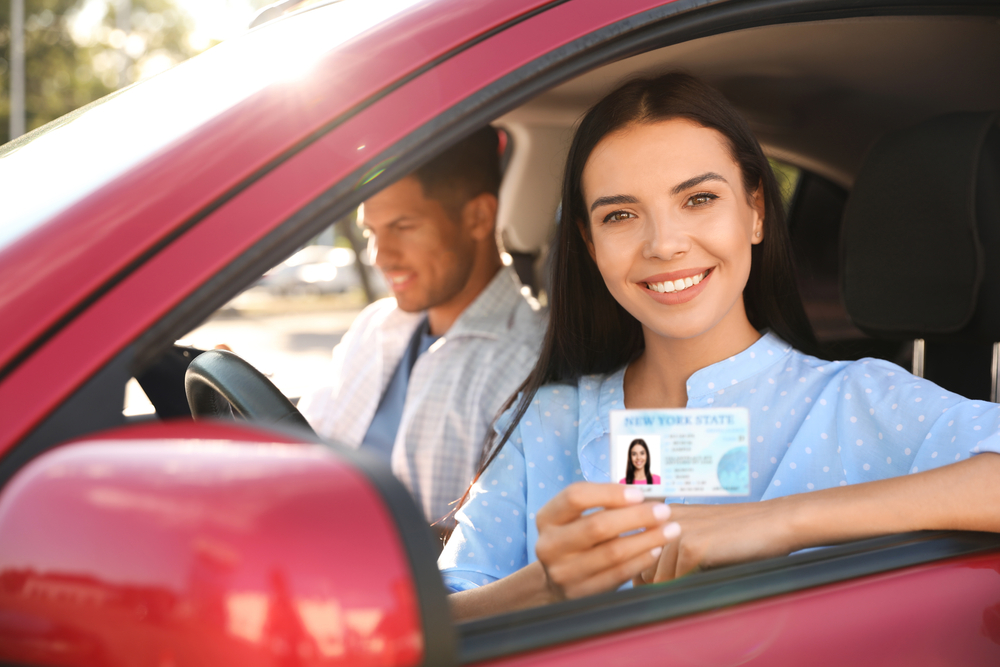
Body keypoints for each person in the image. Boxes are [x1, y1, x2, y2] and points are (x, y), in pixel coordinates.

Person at [438, 73, 1000, 620]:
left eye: (699, 199)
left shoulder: (858, 402)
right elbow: (434, 620)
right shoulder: (544, 425)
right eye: (621, 215)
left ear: (755, 211)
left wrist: (777, 522)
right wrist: (544, 589)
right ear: (589, 243)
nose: (665, 244)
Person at [298, 127, 545, 529]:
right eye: (371, 233)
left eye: (403, 227)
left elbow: (491, 549)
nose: (381, 256)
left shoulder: (528, 360)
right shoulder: (376, 326)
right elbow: (306, 439)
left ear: (478, 217)